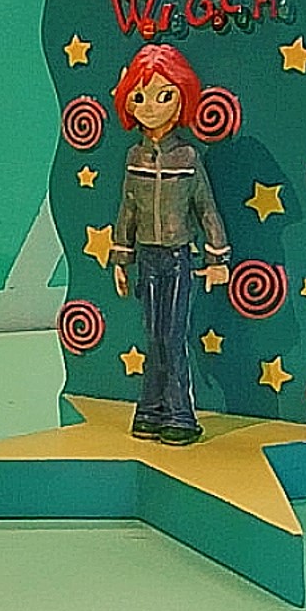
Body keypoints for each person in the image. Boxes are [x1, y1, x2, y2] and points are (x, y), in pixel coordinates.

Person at [109, 44, 230, 446]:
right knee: (153, 336)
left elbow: (207, 209)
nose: (150, 107)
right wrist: (120, 258)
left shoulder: (188, 157)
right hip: (147, 258)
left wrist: (217, 258)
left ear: (182, 98)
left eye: (163, 96)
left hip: (179, 259)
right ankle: (150, 410)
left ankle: (180, 414)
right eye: (140, 96)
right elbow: (127, 209)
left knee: (172, 337)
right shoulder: (134, 158)